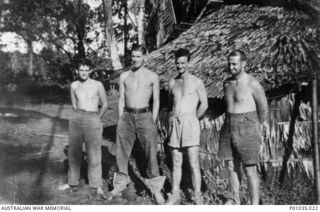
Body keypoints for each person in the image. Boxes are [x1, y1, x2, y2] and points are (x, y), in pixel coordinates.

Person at [110, 45, 165, 204]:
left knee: (151, 153)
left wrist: (153, 120)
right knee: (122, 152)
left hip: (145, 115)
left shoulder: (152, 76)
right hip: (127, 116)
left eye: (138, 56)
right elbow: (121, 100)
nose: (134, 59)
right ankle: (120, 184)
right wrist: (120, 119)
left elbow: (156, 101)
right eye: (133, 56)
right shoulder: (124, 76)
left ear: (145, 57)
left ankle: (156, 189)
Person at [218, 50, 268, 205]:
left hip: (247, 125)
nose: (231, 67)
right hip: (228, 124)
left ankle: (254, 204)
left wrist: (253, 128)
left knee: (249, 168)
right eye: (229, 64)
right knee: (231, 164)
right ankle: (234, 199)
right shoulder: (227, 83)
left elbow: (263, 110)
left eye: (234, 64)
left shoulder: (253, 83)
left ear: (244, 64)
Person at [59, 58, 108, 196]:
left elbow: (104, 104)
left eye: (87, 70)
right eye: (81, 70)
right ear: (77, 71)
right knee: (74, 152)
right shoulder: (74, 85)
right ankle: (72, 182)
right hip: (77, 118)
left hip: (93, 118)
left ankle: (96, 185)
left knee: (94, 153)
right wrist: (78, 116)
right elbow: (74, 104)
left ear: (90, 71)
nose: (84, 73)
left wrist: (97, 118)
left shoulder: (98, 84)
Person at [166, 48, 208, 205]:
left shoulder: (197, 82)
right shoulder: (172, 82)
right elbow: (171, 103)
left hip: (190, 122)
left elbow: (204, 104)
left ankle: (197, 196)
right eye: (177, 63)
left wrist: (193, 119)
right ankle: (175, 194)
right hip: (176, 124)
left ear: (188, 63)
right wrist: (174, 117)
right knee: (176, 161)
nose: (180, 66)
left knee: (193, 161)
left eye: (183, 62)